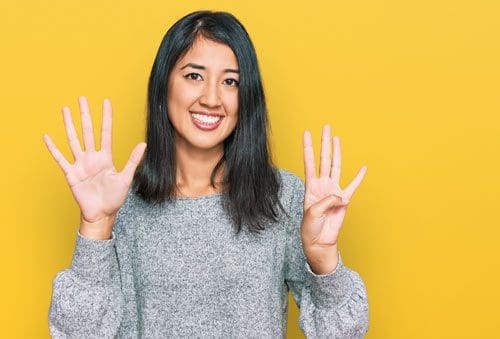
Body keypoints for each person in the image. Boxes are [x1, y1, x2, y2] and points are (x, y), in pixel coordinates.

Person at [43, 10, 369, 338]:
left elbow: (343, 334)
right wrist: (96, 227)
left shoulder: (282, 196)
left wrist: (324, 258)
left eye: (230, 81)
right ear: (164, 84)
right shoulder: (118, 202)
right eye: (194, 76)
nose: (212, 98)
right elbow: (76, 333)